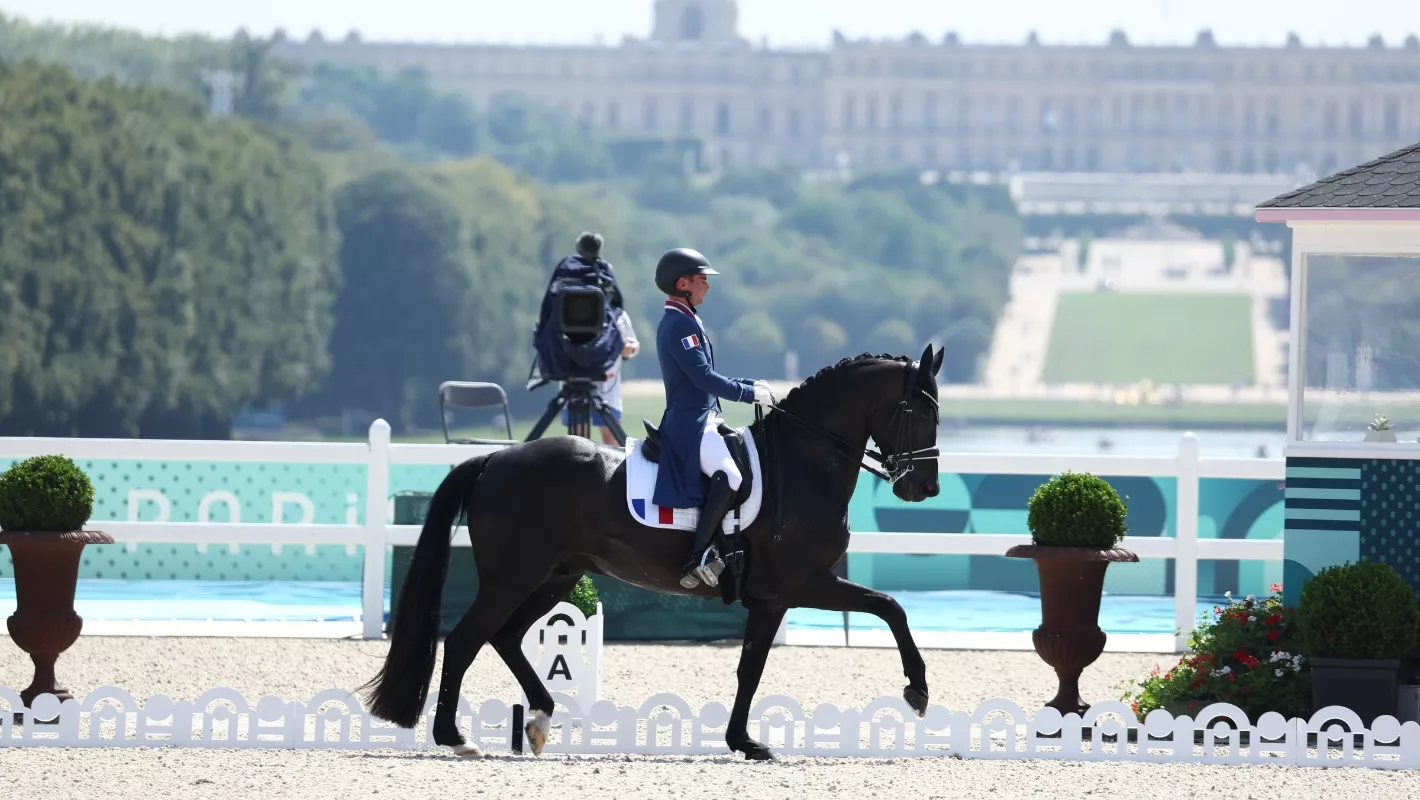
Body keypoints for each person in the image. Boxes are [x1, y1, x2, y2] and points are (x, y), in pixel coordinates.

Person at [651, 248, 775, 590]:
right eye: (702, 280)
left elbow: (708, 377)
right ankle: (698, 557)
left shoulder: (687, 318)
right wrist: (747, 394)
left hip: (706, 416)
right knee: (730, 476)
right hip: (691, 422)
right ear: (683, 283)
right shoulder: (677, 324)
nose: (707, 287)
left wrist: (750, 384)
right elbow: (703, 377)